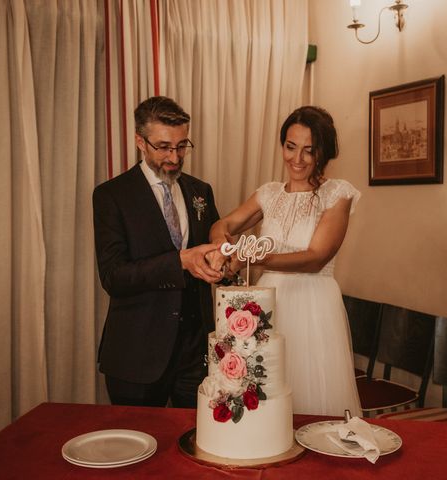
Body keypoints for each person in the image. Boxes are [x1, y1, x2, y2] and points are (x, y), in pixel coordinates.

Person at [210, 106, 363, 417]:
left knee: (311, 395)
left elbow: (316, 258)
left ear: (324, 151)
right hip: (270, 302)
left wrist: (254, 256)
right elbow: (223, 225)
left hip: (314, 304)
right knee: (266, 390)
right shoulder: (268, 194)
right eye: (291, 147)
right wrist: (222, 251)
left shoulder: (337, 194)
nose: (298, 159)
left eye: (309, 150)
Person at [92, 96, 223, 407]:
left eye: (181, 146)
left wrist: (224, 261)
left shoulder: (200, 191)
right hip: (137, 352)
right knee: (136, 447)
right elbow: (113, 276)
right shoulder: (111, 195)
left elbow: (213, 250)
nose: (174, 157)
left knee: (195, 444)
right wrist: (179, 261)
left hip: (195, 353)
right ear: (140, 141)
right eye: (163, 147)